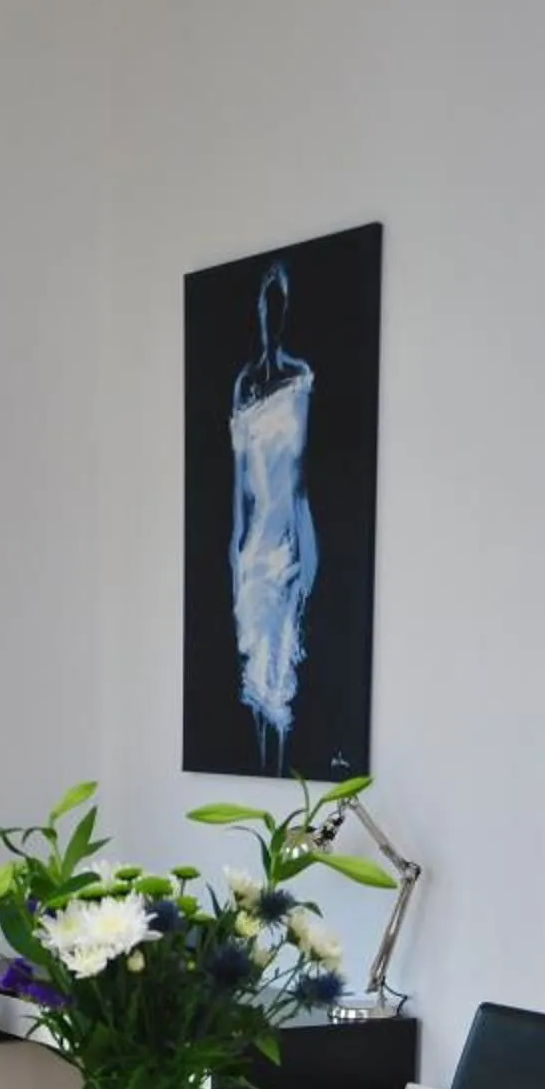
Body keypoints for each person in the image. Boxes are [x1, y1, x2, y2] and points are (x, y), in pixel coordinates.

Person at [229, 261, 317, 770]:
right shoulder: (244, 387)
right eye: (269, 307)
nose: (273, 318)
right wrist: (235, 558)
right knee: (253, 666)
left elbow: (301, 481)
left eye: (281, 308)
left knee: (280, 666)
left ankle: (279, 772)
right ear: (261, 313)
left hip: (286, 539)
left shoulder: (300, 379)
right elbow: (239, 492)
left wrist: (308, 554)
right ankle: (265, 768)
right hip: (254, 546)